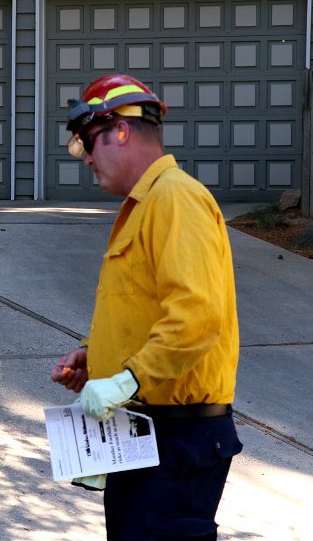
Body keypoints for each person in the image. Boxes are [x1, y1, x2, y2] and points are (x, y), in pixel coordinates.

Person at [51, 74, 243, 541]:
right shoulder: (145, 205)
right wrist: (95, 355)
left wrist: (126, 379)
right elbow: (142, 308)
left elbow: (197, 316)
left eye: (88, 142)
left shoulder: (176, 199)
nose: (87, 158)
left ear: (120, 129)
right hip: (145, 438)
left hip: (176, 441)